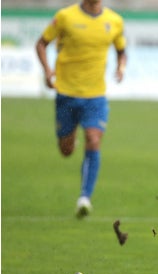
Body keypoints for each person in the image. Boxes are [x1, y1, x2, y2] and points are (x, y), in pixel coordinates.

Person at [35, 0, 127, 218]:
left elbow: (122, 51)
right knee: (66, 150)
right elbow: (41, 43)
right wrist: (48, 71)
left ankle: (84, 198)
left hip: (95, 96)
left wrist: (121, 67)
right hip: (66, 93)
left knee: (94, 139)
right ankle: (70, 137)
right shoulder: (65, 17)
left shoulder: (114, 20)